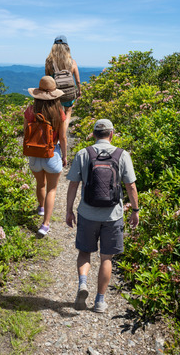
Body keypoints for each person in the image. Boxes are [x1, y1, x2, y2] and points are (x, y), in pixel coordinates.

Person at [65, 119, 139, 313]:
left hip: (87, 213)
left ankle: (82, 284)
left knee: (84, 252)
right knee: (106, 258)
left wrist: (69, 210)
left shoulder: (83, 154)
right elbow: (131, 186)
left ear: (94, 134)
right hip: (113, 215)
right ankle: (99, 301)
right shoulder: (122, 155)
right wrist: (135, 210)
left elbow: (73, 184)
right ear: (111, 134)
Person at [24, 76, 69, 238]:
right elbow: (63, 138)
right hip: (52, 154)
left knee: (40, 184)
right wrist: (64, 156)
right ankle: (45, 224)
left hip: (34, 155)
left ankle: (41, 207)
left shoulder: (30, 110)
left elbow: (25, 133)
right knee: (52, 189)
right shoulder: (59, 112)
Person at [45, 35, 82, 122]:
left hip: (55, 92)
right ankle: (63, 134)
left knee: (57, 112)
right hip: (69, 92)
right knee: (68, 111)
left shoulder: (49, 61)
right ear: (67, 47)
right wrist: (79, 90)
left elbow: (47, 79)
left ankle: (57, 132)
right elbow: (78, 80)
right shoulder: (72, 62)